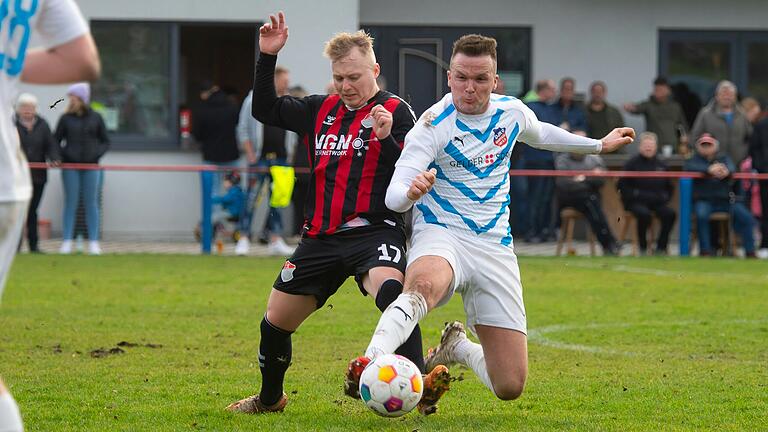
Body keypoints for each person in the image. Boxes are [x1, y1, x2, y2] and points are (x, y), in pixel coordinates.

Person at [350, 34, 634, 409]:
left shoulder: (511, 112)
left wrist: (597, 144)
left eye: (480, 79)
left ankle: (457, 348)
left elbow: (541, 134)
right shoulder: (434, 124)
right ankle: (371, 362)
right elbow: (394, 193)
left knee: (510, 385)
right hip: (442, 232)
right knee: (422, 286)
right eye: (462, 78)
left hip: (494, 245)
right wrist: (411, 193)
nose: (470, 88)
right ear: (449, 77)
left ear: (494, 80)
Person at [226, 12, 442, 415]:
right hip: (320, 238)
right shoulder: (319, 108)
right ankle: (270, 399)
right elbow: (264, 109)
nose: (346, 87)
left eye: (354, 78)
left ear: (374, 70)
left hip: (374, 233)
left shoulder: (397, 111)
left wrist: (386, 139)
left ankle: (420, 387)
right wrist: (267, 57)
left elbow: (410, 174)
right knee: (275, 322)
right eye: (339, 78)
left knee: (394, 294)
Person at [0, 2, 100, 431]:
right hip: (9, 177)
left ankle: (87, 241)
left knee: (87, 206)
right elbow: (81, 57)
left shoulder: (88, 118)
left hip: (21, 177)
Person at [235, 67, 297, 256]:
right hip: (259, 158)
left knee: (278, 200)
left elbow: (293, 129)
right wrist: (250, 153)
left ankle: (275, 239)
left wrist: (290, 153)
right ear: (274, 80)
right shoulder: (253, 100)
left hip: (281, 159)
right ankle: (244, 237)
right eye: (283, 80)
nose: (286, 84)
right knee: (251, 198)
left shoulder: (288, 101)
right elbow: (243, 128)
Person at [56, 83, 110, 255]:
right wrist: (62, 155)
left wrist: (95, 155)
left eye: (73, 96)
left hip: (91, 166)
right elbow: (55, 140)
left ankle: (94, 243)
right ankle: (66, 242)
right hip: (70, 166)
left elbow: (105, 141)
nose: (70, 99)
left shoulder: (96, 118)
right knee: (70, 202)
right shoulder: (65, 118)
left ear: (82, 98)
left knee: (91, 203)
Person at [685, 134, 756, 257]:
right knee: (701, 215)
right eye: (704, 145)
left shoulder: (724, 158)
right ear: (698, 147)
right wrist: (708, 169)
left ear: (715, 146)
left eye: (709, 144)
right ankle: (705, 251)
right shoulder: (694, 159)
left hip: (725, 201)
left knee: (747, 218)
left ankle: (750, 252)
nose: (706, 147)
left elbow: (732, 168)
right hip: (704, 200)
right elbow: (689, 167)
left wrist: (726, 171)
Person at [617, 132, 676, 255]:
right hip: (636, 202)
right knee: (644, 215)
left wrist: (665, 197)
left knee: (670, 214)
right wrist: (634, 195)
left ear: (656, 147)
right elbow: (622, 186)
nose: (648, 148)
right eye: (646, 145)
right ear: (640, 147)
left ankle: (661, 247)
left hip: (656, 202)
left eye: (651, 145)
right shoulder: (631, 164)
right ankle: (643, 248)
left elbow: (670, 187)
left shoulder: (662, 165)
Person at [15, 93, 61, 253]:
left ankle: (34, 246)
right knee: (17, 212)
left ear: (36, 109)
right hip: (16, 177)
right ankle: (15, 247)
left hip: (37, 176)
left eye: (31, 107)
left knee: (33, 210)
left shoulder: (43, 125)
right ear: (18, 109)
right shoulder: (10, 125)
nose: (27, 110)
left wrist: (55, 158)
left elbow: (51, 145)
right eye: (24, 107)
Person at [555, 151, 620, 255]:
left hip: (589, 198)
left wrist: (582, 178)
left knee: (593, 208)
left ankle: (609, 244)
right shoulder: (562, 160)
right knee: (593, 206)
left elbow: (601, 182)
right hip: (570, 198)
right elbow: (564, 184)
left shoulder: (594, 159)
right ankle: (610, 243)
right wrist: (590, 178)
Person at [521, 79, 559, 242]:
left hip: (548, 159)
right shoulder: (533, 107)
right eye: (552, 89)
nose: (554, 93)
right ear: (543, 91)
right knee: (535, 198)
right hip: (536, 159)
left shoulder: (548, 107)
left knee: (545, 198)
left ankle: (543, 231)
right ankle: (532, 232)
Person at [192, 81, 240, 196]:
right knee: (233, 191)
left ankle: (213, 214)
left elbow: (197, 135)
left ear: (204, 94)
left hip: (210, 156)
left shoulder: (202, 109)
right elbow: (239, 127)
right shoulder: (232, 106)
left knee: (212, 192)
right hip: (231, 155)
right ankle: (233, 214)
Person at [690, 81, 752, 166]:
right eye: (723, 94)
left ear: (735, 97)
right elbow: (694, 138)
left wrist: (744, 154)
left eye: (730, 94)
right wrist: (704, 153)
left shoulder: (742, 114)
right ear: (716, 96)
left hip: (738, 166)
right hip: (712, 166)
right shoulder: (705, 113)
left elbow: (750, 137)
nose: (727, 97)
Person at [624, 77, 688, 155]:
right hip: (653, 147)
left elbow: (682, 126)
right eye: (656, 90)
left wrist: (684, 138)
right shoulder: (648, 105)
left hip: (673, 146)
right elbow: (637, 108)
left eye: (661, 90)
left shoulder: (675, 107)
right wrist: (630, 108)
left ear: (668, 91)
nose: (658, 92)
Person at [748, 117, 768, 259]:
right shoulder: (761, 125)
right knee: (766, 211)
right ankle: (765, 244)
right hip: (765, 176)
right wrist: (761, 168)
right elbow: (753, 150)